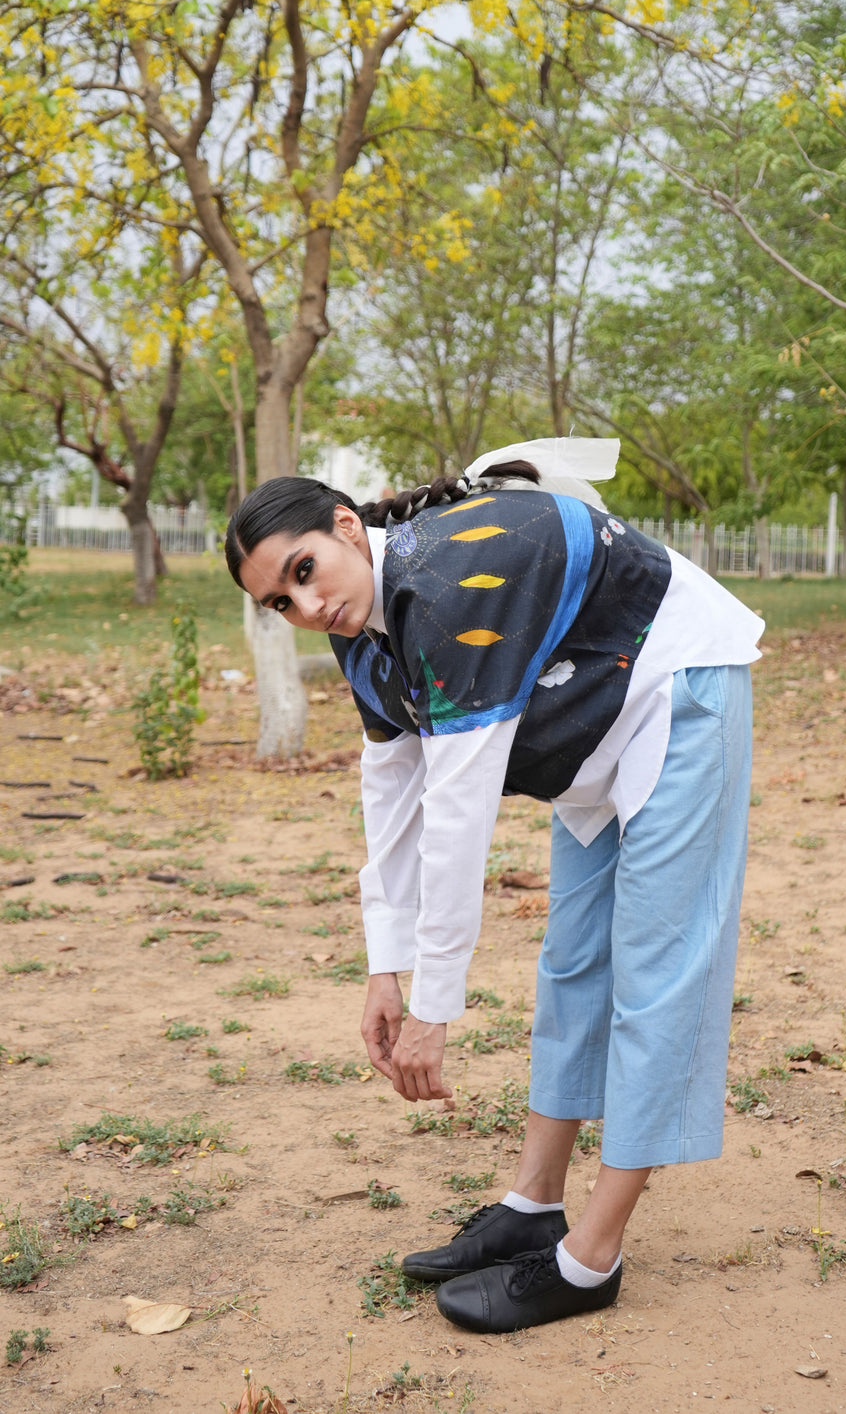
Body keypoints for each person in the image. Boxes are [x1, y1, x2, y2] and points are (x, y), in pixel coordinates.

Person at [225, 439, 763, 1334]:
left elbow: (458, 811)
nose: (309, 606)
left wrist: (437, 1005)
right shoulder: (365, 634)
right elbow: (392, 799)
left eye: (306, 571)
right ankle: (535, 1202)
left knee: (657, 974)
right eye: (281, 602)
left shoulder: (446, 590)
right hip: (595, 726)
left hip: (678, 686)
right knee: (572, 962)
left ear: (347, 527)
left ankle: (592, 1259)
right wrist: (384, 971)